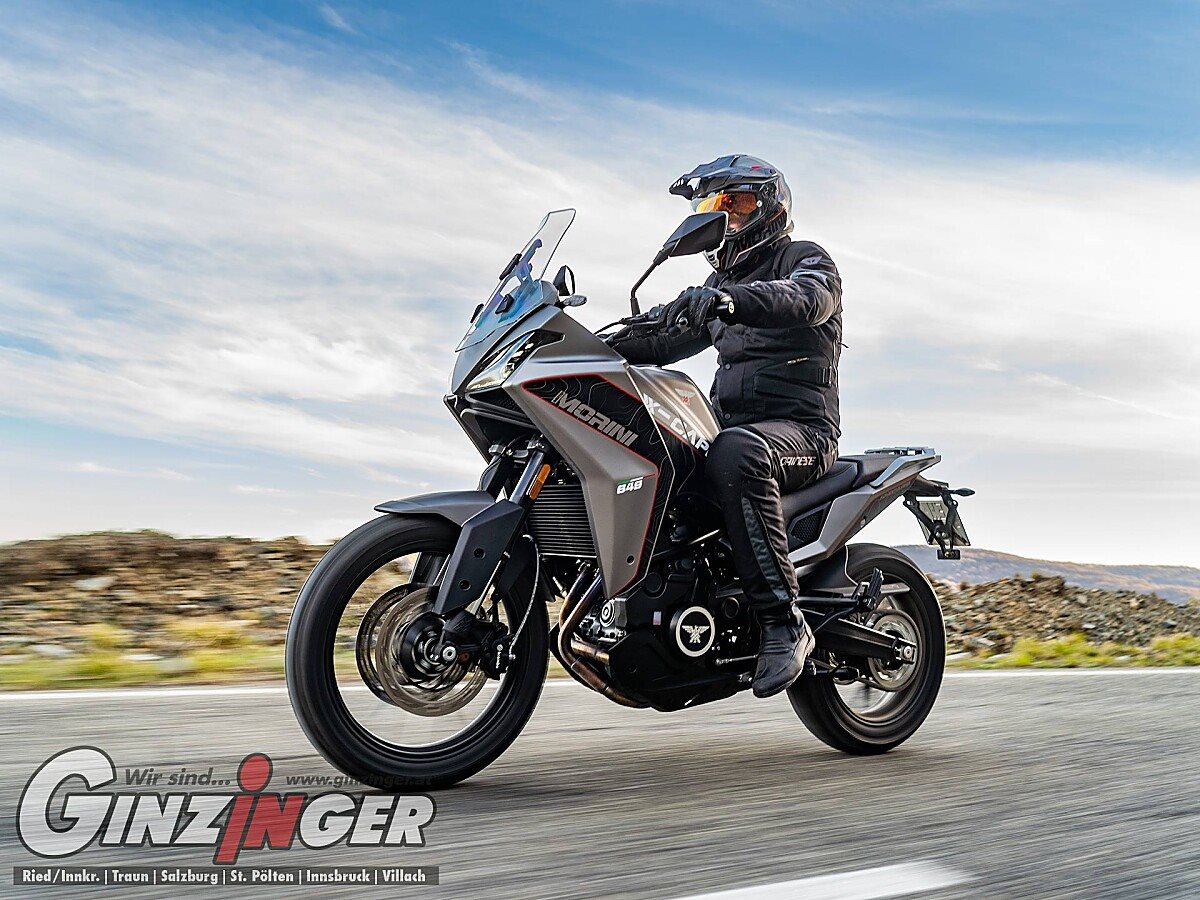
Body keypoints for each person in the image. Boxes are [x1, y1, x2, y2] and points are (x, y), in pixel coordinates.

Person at [608, 154, 843, 698]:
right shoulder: (718, 284)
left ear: (770, 207)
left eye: (735, 203)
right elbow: (660, 341)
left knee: (735, 451)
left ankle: (784, 621)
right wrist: (579, 346)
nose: (724, 216)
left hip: (801, 433)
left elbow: (808, 299)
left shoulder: (804, 259)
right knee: (658, 449)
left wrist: (728, 300)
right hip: (731, 432)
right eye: (713, 207)